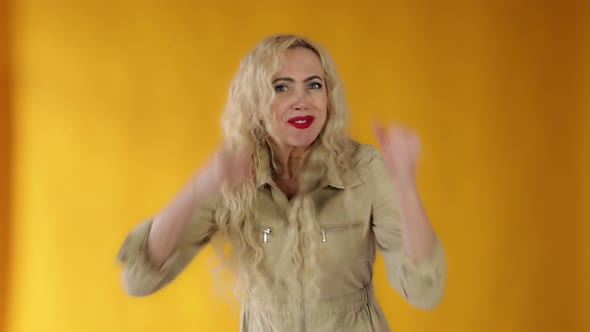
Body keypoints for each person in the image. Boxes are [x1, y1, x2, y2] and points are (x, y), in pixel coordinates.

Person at [117, 34, 446, 331]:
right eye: (281, 87)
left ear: (329, 97)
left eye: (314, 85)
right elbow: (139, 278)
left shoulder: (365, 168)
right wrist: (200, 186)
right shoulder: (234, 172)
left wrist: (405, 184)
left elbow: (424, 290)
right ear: (255, 102)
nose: (302, 100)